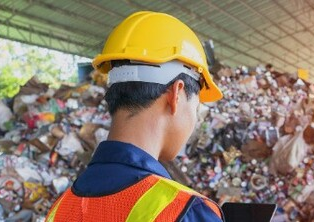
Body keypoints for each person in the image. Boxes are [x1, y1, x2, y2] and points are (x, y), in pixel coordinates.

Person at [45, 11, 224, 221]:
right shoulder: (186, 211)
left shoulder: (60, 208)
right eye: (196, 108)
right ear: (176, 93)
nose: (194, 121)